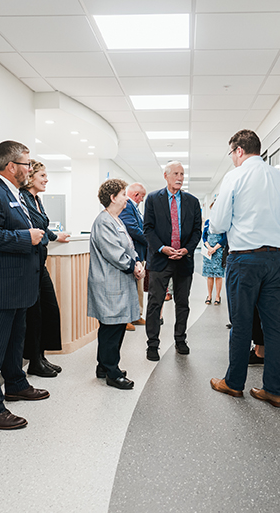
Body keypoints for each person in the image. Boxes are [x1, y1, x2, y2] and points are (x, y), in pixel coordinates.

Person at [209, 129, 280, 408]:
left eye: (232, 154)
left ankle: (234, 384)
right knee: (274, 326)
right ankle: (274, 390)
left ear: (238, 151)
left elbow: (219, 224)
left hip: (245, 260)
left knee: (242, 324)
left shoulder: (235, 176)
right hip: (277, 260)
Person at [0, 140, 49, 430]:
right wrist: (24, 238)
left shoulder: (13, 193)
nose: (30, 168)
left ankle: (15, 384)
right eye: (27, 164)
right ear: (11, 166)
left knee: (15, 341)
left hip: (18, 286)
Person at [87, 179, 145, 390]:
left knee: (115, 326)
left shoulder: (116, 220)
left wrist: (137, 261)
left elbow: (128, 247)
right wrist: (133, 266)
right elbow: (114, 253)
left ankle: (104, 367)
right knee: (111, 328)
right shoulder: (104, 221)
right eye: (123, 194)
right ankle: (112, 372)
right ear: (112, 198)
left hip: (119, 282)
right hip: (109, 283)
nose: (126, 198)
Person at [143, 161, 202, 361]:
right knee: (155, 303)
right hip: (160, 259)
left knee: (182, 303)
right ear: (166, 176)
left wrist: (186, 249)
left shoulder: (192, 202)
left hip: (183, 260)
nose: (179, 177)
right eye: (176, 173)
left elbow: (196, 231)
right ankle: (152, 345)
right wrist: (162, 248)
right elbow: (148, 229)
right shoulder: (152, 199)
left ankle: (180, 340)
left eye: (182, 174)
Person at [20, 160, 70, 377]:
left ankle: (41, 357)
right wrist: (46, 236)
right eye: (42, 176)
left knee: (48, 310)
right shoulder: (23, 199)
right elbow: (32, 229)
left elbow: (44, 228)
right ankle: (34, 361)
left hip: (41, 264)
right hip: (29, 266)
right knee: (35, 314)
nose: (46, 179)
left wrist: (55, 236)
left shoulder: (37, 199)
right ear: (31, 177)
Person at [118, 182, 148, 329]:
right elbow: (133, 229)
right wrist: (150, 241)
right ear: (136, 195)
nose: (142, 200)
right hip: (132, 254)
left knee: (138, 286)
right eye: (142, 197)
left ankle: (136, 315)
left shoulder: (133, 208)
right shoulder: (127, 206)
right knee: (130, 286)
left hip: (139, 253)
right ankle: (127, 319)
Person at [202, 202, 227, 305]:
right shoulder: (208, 222)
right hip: (208, 252)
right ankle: (209, 295)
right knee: (209, 275)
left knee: (218, 275)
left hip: (218, 251)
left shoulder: (222, 222)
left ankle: (217, 296)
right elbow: (204, 236)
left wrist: (215, 248)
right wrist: (209, 247)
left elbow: (225, 238)